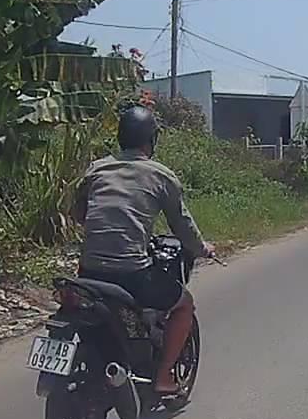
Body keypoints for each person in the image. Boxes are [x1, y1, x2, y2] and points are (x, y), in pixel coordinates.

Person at [72, 104, 213, 396]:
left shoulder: (96, 169)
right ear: (151, 140)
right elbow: (182, 226)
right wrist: (202, 249)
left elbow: (78, 214)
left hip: (87, 272)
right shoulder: (161, 176)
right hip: (131, 274)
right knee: (184, 304)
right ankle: (164, 376)